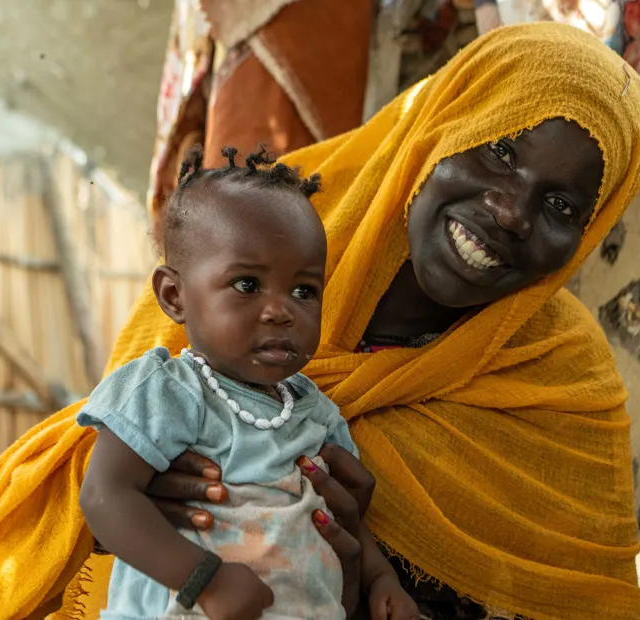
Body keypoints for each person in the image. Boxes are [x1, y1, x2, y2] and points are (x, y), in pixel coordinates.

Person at [0, 22, 640, 620]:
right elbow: (100, 468)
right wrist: (161, 489)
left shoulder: (562, 384)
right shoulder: (269, 235)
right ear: (444, 123)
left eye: (562, 207)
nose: (509, 212)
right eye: (499, 150)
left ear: (591, 232)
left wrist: (372, 558)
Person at [77, 147, 416, 620]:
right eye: (247, 285)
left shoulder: (315, 413)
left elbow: (339, 521)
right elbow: (105, 496)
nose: (281, 310)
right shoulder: (169, 390)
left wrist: (382, 581)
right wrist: (207, 580)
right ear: (174, 296)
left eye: (304, 291)